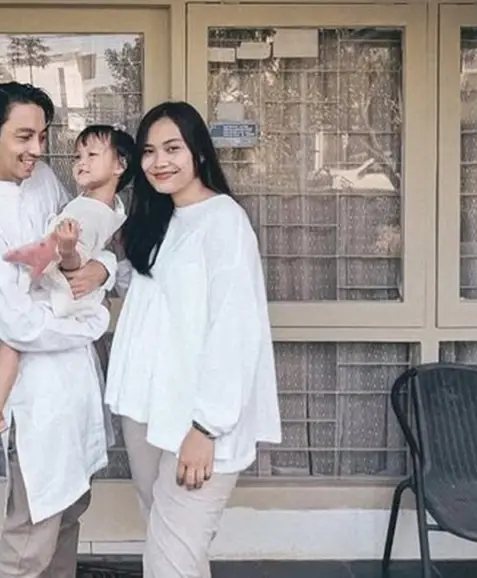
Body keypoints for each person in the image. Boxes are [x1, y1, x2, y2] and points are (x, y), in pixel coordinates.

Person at [104, 101, 282, 578]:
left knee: (169, 564)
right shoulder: (160, 218)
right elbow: (149, 297)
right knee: (176, 553)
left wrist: (206, 428)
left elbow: (234, 328)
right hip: (147, 410)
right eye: (148, 151)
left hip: (199, 423)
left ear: (198, 152)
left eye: (172, 148)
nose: (158, 161)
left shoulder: (224, 221)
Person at [0, 81, 118, 578]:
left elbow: (83, 243)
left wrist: (104, 269)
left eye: (43, 136)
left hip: (76, 381)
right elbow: (20, 323)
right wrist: (92, 320)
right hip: (36, 392)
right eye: (24, 137)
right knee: (32, 531)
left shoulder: (43, 179)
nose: (37, 149)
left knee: (69, 513)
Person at [0, 124, 136, 451]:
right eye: (77, 156)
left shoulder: (87, 207)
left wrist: (69, 254)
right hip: (49, 320)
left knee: (11, 345)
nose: (81, 162)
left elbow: (77, 258)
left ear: (120, 165)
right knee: (12, 342)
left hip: (59, 301)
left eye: (92, 155)